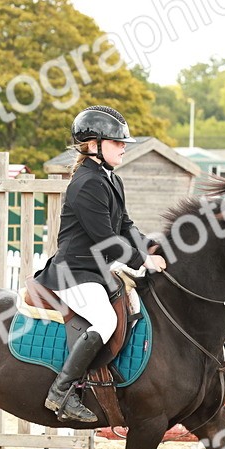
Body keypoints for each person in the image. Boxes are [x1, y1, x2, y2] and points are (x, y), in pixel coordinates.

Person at [33, 105, 166, 423]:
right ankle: (61, 392)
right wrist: (143, 260)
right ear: (92, 145)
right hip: (73, 272)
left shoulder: (110, 180)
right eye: (117, 141)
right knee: (105, 321)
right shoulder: (87, 183)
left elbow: (126, 228)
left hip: (96, 271)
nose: (123, 146)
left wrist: (156, 247)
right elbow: (107, 241)